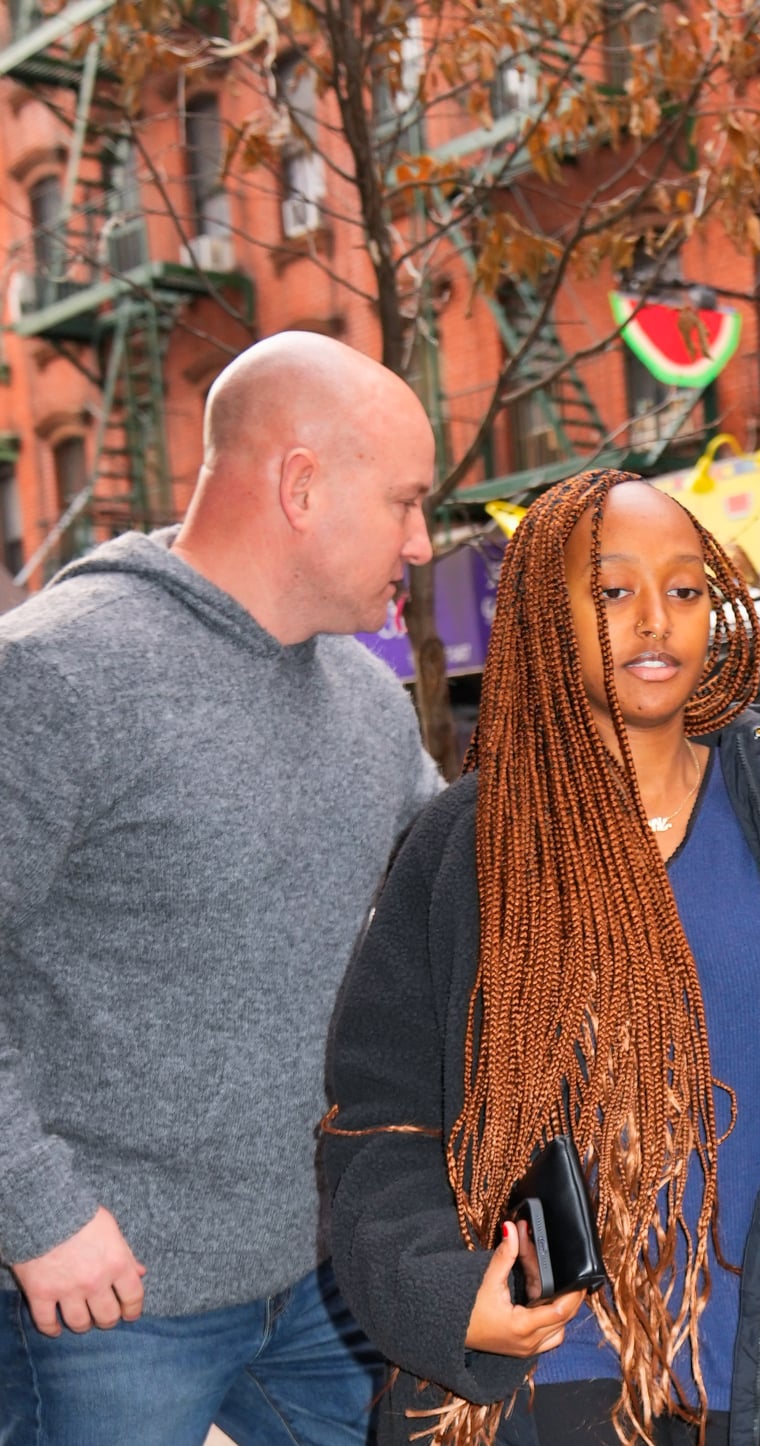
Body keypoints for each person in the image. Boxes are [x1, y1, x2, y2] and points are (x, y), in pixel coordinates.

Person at [323, 471, 760, 1446]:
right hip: (544, 1390)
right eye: (612, 591)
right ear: (542, 613)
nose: (655, 619)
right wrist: (445, 1295)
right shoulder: (463, 847)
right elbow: (377, 1121)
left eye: (688, 588)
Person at [0, 331, 445, 1444]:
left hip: (326, 1275)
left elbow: (466, 904)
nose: (422, 541)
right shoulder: (57, 674)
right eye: (403, 503)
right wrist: (36, 1211)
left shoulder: (369, 701)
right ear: (301, 484)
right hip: (103, 1297)